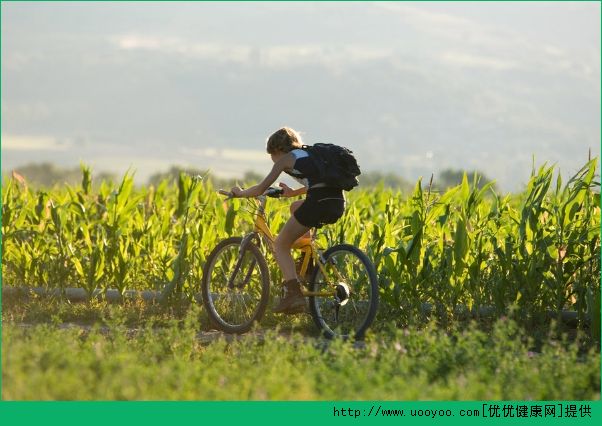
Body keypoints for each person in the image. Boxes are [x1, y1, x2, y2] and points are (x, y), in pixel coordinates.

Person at [230, 127, 346, 314]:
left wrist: (240, 193)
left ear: (277, 150)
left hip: (317, 203)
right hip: (337, 203)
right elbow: (318, 184)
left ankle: (293, 294)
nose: (271, 159)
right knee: (295, 207)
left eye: (271, 154)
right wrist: (292, 193)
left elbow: (260, 188)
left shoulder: (285, 159)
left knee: (281, 245)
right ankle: (307, 263)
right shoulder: (309, 154)